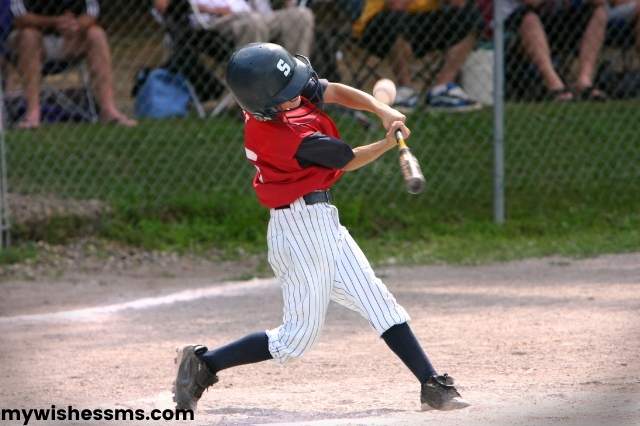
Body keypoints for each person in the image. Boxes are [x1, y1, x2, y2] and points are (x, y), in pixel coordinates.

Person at [173, 42, 470, 414]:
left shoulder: (275, 99)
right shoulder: (284, 138)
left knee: (378, 301)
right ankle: (204, 364)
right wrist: (389, 139)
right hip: (300, 232)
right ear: (266, 104)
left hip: (321, 221)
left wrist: (380, 108)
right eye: (288, 93)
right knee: (295, 340)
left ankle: (432, 385)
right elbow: (347, 159)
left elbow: (331, 90)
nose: (299, 92)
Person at [9, 0, 136, 128]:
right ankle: (32, 114)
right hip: (34, 39)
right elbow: (19, 18)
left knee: (96, 34)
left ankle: (109, 111)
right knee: (28, 36)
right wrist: (55, 22)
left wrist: (76, 25)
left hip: (70, 38)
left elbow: (92, 12)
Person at [352, 0, 485, 112]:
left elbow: (459, 4)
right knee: (394, 19)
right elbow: (397, 5)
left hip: (423, 23)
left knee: (470, 17)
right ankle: (406, 90)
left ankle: (442, 89)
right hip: (378, 25)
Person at [503, 0, 608, 101]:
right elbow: (532, 2)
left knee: (599, 12)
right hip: (515, 25)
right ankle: (554, 85)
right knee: (529, 17)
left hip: (556, 21)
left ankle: (584, 82)